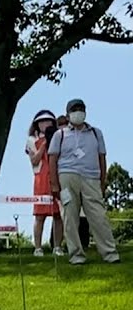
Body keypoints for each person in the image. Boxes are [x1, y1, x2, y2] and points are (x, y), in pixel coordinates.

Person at [49, 98, 119, 265]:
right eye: (74, 109)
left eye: (81, 108)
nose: (78, 111)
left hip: (91, 177)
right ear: (68, 113)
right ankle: (76, 255)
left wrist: (103, 180)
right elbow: (52, 158)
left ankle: (110, 253)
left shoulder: (96, 132)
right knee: (69, 216)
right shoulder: (60, 134)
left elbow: (102, 157)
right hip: (67, 176)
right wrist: (54, 184)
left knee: (98, 216)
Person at [25, 110, 64, 257]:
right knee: (39, 215)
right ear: (36, 124)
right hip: (40, 178)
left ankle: (58, 246)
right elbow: (34, 160)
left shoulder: (60, 136)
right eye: (41, 122)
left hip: (56, 176)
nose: (45, 124)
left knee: (58, 215)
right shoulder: (31, 140)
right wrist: (45, 144)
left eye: (48, 121)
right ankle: (38, 247)